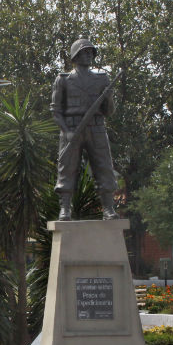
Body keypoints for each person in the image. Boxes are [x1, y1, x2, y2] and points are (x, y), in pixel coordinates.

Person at [51, 38, 119, 220]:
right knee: (67, 167)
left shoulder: (102, 79)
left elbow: (108, 111)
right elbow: (56, 111)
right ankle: (65, 208)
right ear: (75, 56)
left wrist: (109, 98)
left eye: (91, 52)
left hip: (96, 128)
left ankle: (108, 208)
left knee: (104, 166)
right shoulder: (63, 80)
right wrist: (67, 131)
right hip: (71, 127)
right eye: (84, 52)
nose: (89, 55)